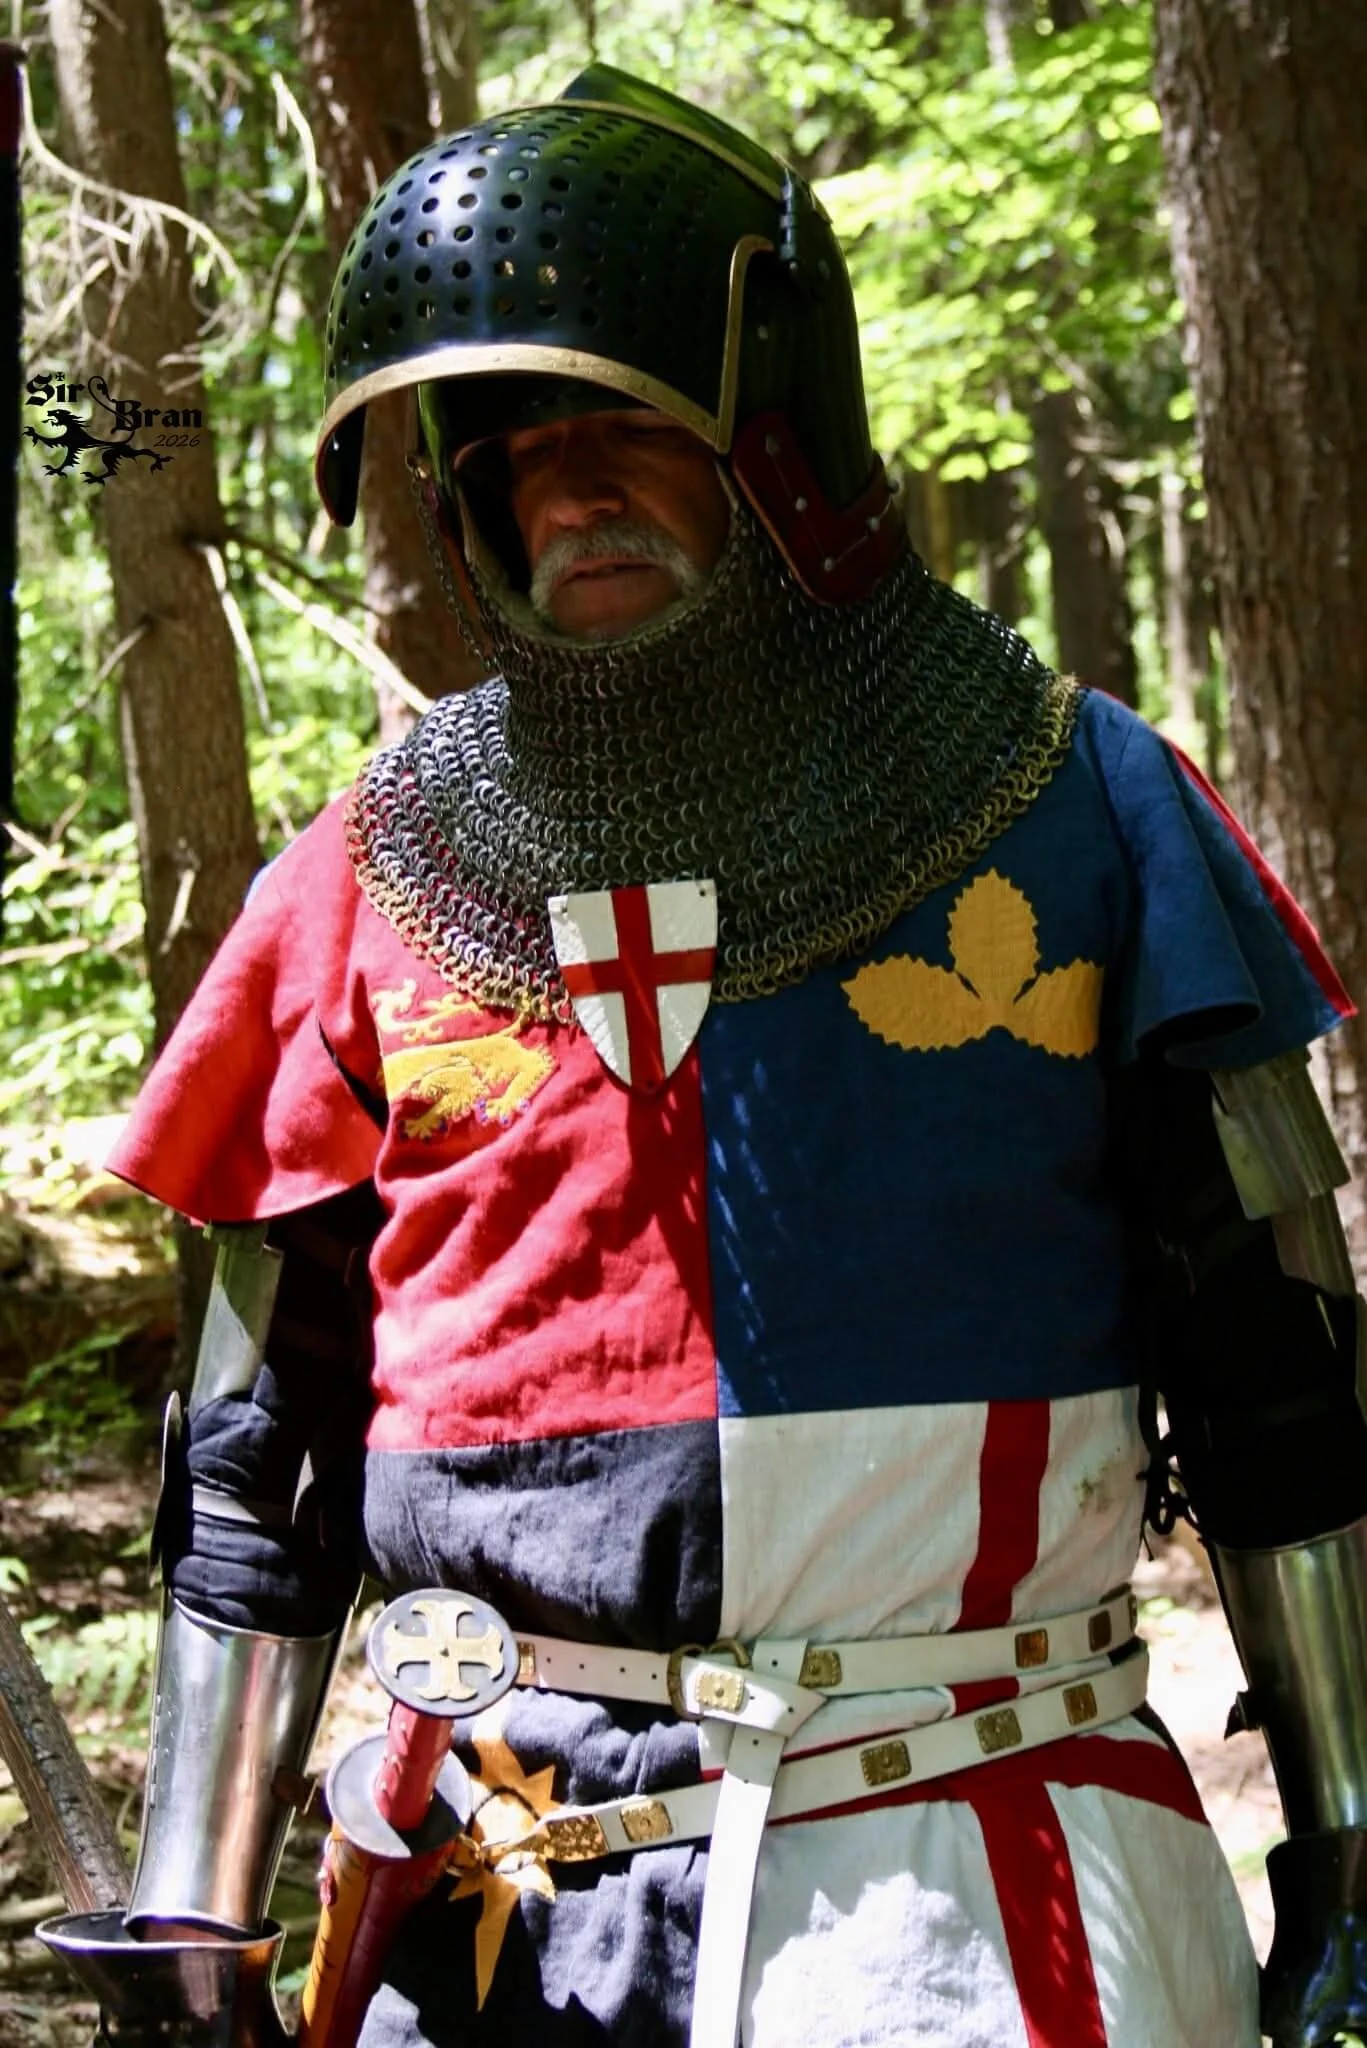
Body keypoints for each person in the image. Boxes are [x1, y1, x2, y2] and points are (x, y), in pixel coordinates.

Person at [91, 62, 1367, 2048]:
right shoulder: (363, 881)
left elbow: (1279, 1382)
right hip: (497, 1899)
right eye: (513, 452)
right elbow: (256, 1470)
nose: (569, 489)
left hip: (970, 1871)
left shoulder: (1073, 803)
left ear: (775, 449)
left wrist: (1353, 1840)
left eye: (626, 432)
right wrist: (190, 1897)